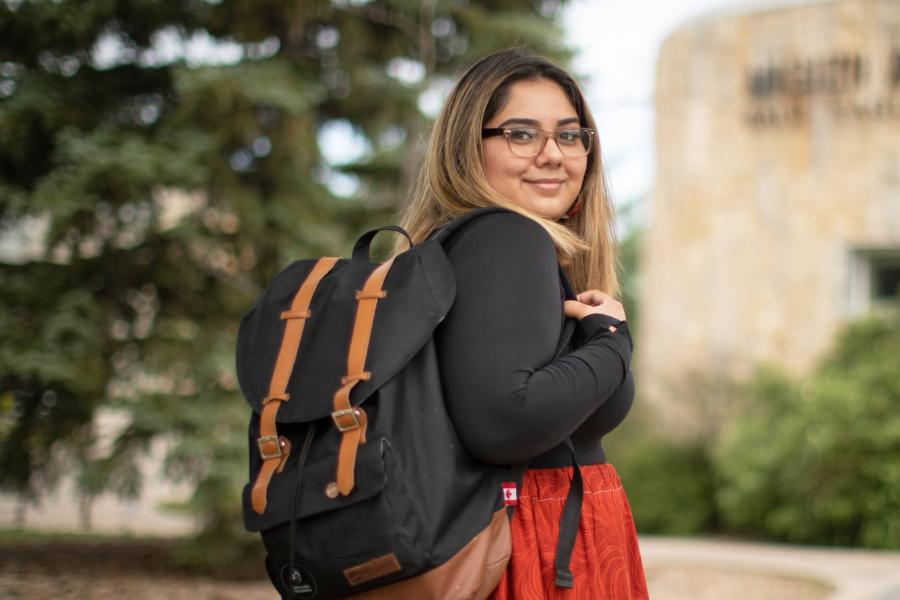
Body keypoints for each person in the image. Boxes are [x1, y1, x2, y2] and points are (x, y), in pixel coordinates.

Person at [388, 47, 648, 599]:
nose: (553, 155)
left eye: (570, 135)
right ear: (467, 147)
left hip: (538, 540)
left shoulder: (459, 247)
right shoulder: (508, 237)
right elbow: (505, 422)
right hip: (535, 549)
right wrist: (610, 339)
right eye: (521, 134)